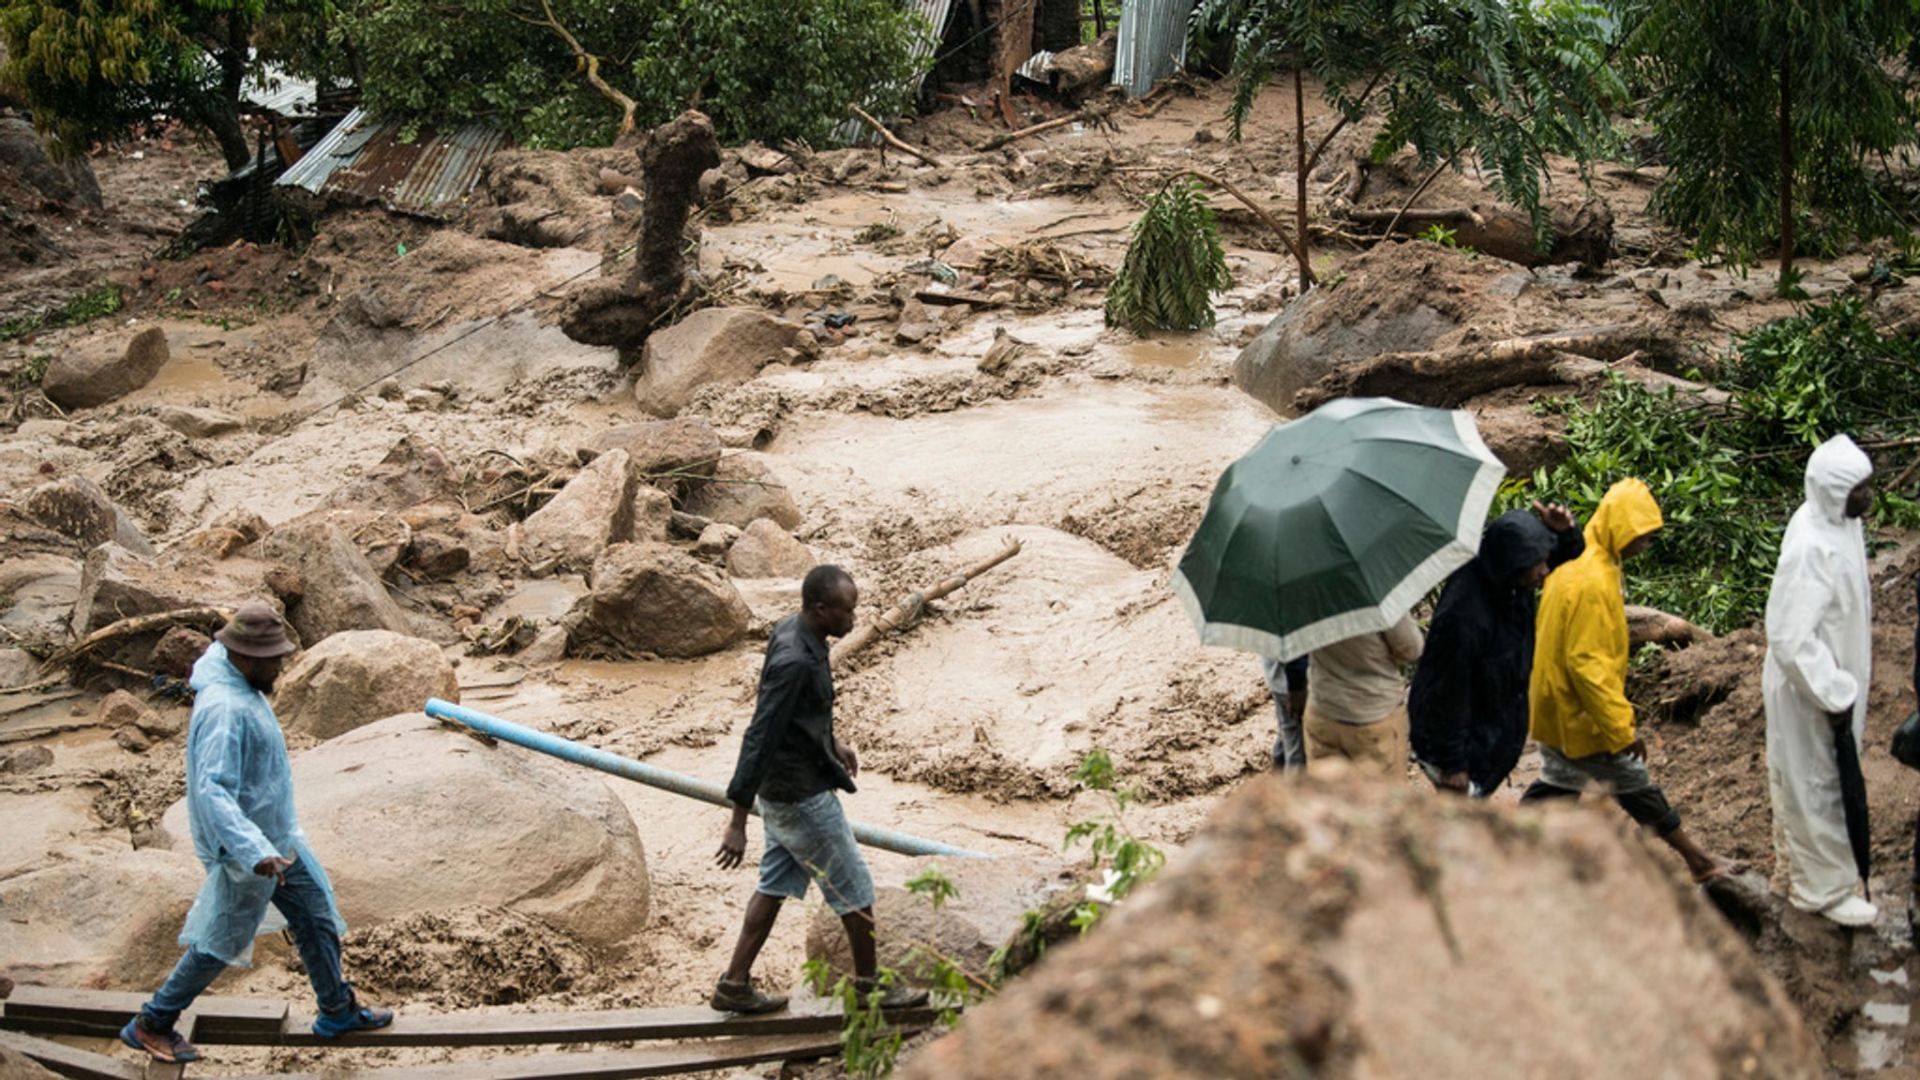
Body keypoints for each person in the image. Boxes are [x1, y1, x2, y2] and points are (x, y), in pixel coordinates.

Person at [120, 603, 392, 1064]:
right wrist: (253, 851)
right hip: (246, 847)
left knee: (315, 916)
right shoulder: (225, 709)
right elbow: (212, 791)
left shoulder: (236, 683)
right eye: (274, 660)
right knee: (220, 940)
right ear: (245, 657)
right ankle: (152, 1022)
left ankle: (336, 1009)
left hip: (276, 838)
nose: (281, 667)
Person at [712, 565, 928, 1014]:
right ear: (820, 608)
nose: (854, 619)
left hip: (784, 790)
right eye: (847, 611)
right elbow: (760, 733)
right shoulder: (794, 660)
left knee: (773, 886)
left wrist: (832, 741)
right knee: (857, 889)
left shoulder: (801, 633)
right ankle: (871, 989)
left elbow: (799, 715)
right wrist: (736, 820)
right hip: (800, 796)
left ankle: (734, 984)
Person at [1521, 479, 1741, 882]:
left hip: (1556, 703)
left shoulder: (1584, 558)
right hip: (1580, 712)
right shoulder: (1593, 581)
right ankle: (1700, 863)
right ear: (1620, 527)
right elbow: (1588, 664)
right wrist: (1621, 728)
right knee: (1633, 783)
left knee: (1558, 785)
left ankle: (1504, 845)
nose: (1647, 544)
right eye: (1643, 535)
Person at [1764, 435, 1878, 926]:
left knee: (1805, 780)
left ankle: (1793, 870)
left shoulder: (1837, 524)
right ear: (1833, 491)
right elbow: (1789, 637)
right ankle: (1823, 891)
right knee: (1819, 785)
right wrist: (1833, 691)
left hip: (1829, 681)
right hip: (1812, 688)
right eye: (1859, 489)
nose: (1869, 497)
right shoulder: (1812, 547)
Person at [1409, 502, 1582, 796]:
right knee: (1458, 824)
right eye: (1536, 564)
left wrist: (1564, 532)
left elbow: (1562, 556)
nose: (1544, 571)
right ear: (1514, 565)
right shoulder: (1463, 616)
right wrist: (1452, 764)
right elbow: (1447, 692)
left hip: (1492, 725)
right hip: (1457, 743)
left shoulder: (1509, 578)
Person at [1303, 615, 1423, 776]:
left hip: (1323, 711)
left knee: (1329, 795)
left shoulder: (1307, 599)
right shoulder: (1376, 601)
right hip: (1373, 714)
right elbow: (1412, 649)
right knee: (1380, 796)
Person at [1263, 656, 1309, 772]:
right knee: (1297, 751)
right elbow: (1296, 655)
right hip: (1293, 686)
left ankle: (1278, 774)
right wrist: (1297, 687)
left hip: (1277, 678)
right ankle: (1294, 785)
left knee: (1288, 732)